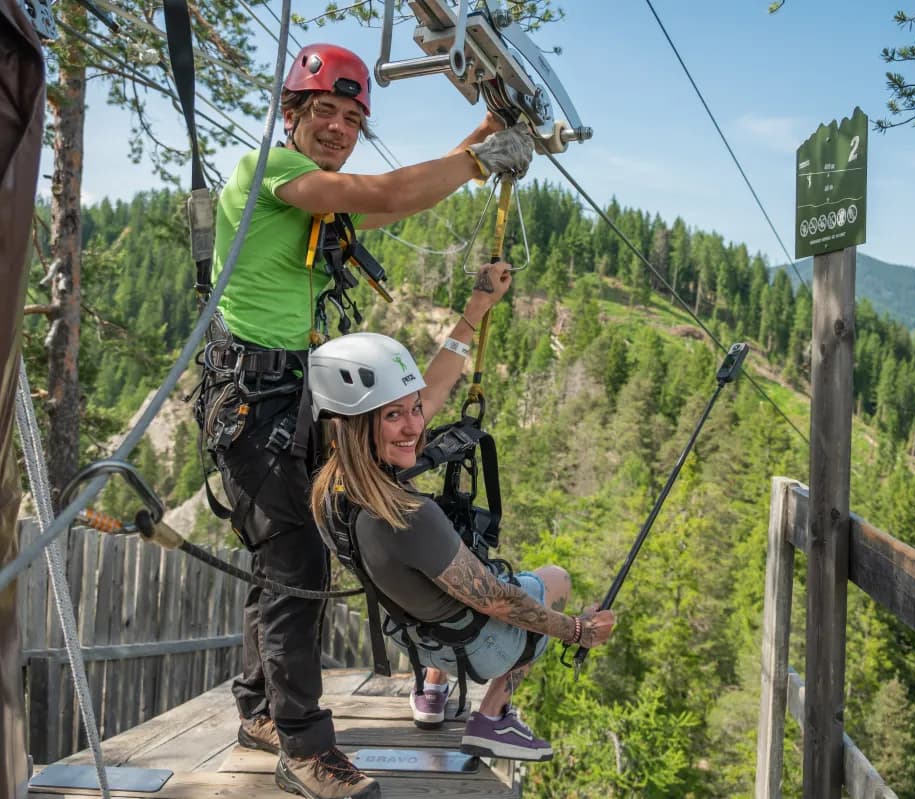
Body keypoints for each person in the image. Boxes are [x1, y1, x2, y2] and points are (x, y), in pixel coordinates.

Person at [202, 41, 534, 799]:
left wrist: (482, 136)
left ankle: (261, 709)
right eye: (325, 111)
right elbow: (386, 194)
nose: (339, 128)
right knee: (296, 565)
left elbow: (394, 190)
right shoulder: (273, 173)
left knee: (287, 552)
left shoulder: (313, 191)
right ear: (292, 114)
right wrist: (482, 163)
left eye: (353, 117)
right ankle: (304, 746)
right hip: (258, 395)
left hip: (285, 389)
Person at [307, 328, 617, 763]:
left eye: (416, 410)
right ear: (357, 425)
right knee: (554, 580)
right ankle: (491, 718)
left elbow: (430, 398)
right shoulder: (408, 515)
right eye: (394, 416)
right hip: (478, 648)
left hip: (415, 638)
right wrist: (578, 630)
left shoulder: (329, 496)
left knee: (445, 578)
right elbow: (500, 602)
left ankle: (431, 694)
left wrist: (474, 315)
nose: (415, 427)